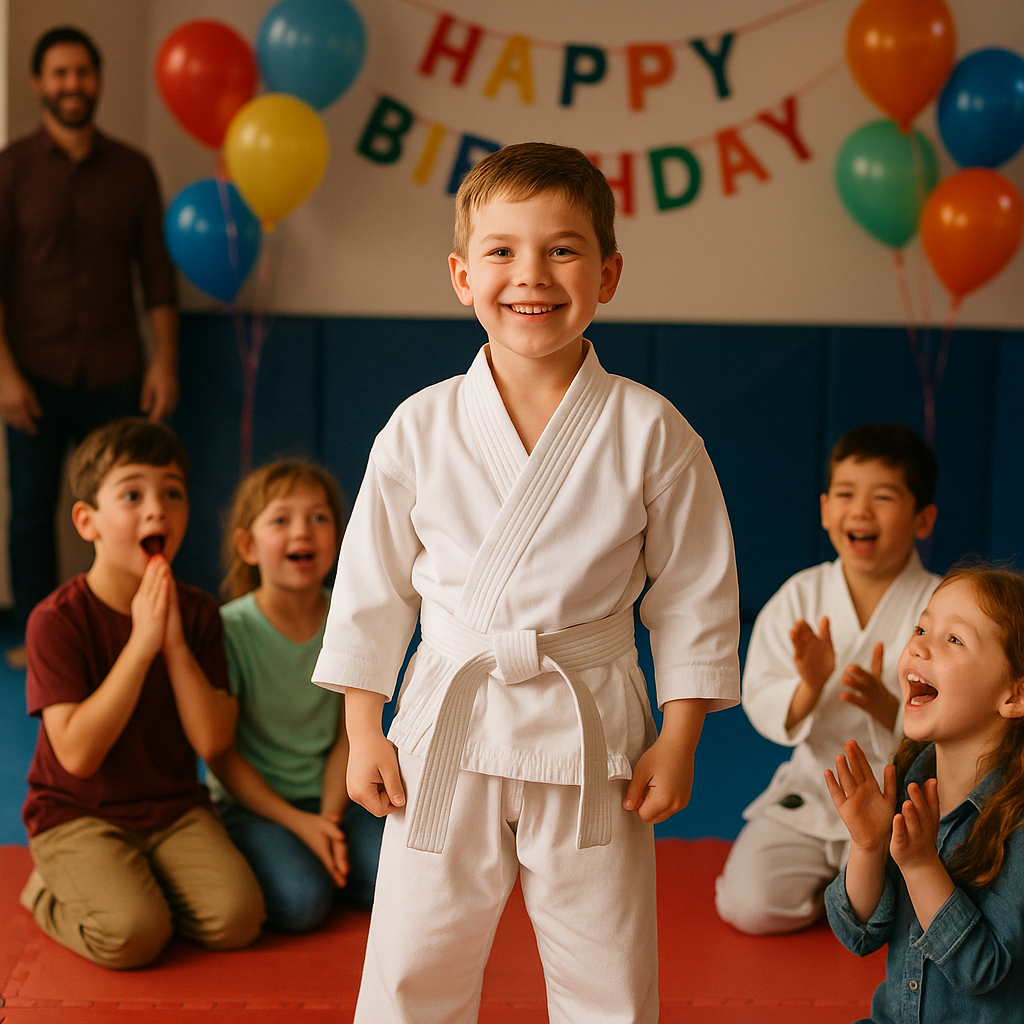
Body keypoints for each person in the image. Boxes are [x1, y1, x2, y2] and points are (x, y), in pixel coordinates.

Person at [312, 142, 741, 1023]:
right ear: (462, 275)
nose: (530, 275)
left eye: (563, 248)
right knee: (412, 961)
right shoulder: (419, 426)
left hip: (594, 729)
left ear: (609, 273)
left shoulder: (652, 432)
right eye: (503, 251)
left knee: (607, 972)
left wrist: (681, 734)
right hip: (446, 723)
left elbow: (697, 592)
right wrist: (363, 727)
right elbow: (372, 587)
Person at [19, 418, 264, 969]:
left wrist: (172, 641)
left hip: (173, 809)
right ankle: (45, 888)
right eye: (132, 494)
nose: (157, 509)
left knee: (237, 920)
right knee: (132, 937)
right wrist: (141, 642)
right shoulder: (56, 621)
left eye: (172, 493)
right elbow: (78, 755)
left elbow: (212, 739)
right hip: (78, 812)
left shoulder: (199, 612)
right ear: (88, 521)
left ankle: (136, 878)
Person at [715, 424, 940, 935]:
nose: (860, 511)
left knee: (911, 920)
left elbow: (969, 711)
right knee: (750, 906)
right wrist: (809, 686)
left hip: (906, 799)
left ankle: (853, 888)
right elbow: (762, 695)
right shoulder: (800, 597)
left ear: (923, 518)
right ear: (823, 509)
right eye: (845, 495)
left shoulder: (944, 604)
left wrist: (893, 712)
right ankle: (833, 891)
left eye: (882, 497)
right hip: (817, 788)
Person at [0, 26, 179, 666]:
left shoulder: (133, 170)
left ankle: (135, 621)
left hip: (116, 371)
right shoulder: (11, 169)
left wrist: (165, 360)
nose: (72, 85)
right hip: (34, 375)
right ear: (38, 83)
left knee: (132, 504)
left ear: (97, 81)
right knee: (31, 514)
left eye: (83, 72)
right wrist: (5, 376)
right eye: (59, 73)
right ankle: (32, 635)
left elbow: (156, 275)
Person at [824, 565, 1024, 1023]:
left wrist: (919, 865)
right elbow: (857, 933)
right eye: (921, 628)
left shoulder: (1016, 818)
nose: (917, 645)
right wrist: (868, 845)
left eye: (954, 639)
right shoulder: (907, 779)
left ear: (1014, 695)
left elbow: (983, 968)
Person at [206, 461, 384, 933]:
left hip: (334, 796)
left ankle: (329, 858)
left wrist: (326, 819)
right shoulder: (231, 629)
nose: (302, 532)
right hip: (257, 805)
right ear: (248, 545)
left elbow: (350, 734)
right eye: (281, 520)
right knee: (303, 903)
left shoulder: (348, 618)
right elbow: (221, 755)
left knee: (395, 881)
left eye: (318, 518)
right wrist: (298, 825)